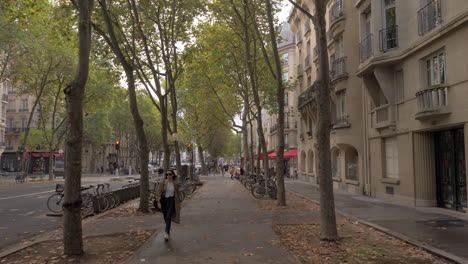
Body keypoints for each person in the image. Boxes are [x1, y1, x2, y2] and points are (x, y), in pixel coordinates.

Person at [156, 170, 181, 241]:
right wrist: (158, 202)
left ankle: (166, 233)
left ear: (172, 175)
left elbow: (178, 193)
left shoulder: (175, 183)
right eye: (167, 174)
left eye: (169, 174)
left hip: (171, 201)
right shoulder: (163, 182)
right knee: (165, 216)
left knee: (168, 216)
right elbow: (158, 192)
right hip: (164, 201)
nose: (168, 176)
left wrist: (179, 203)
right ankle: (168, 229)